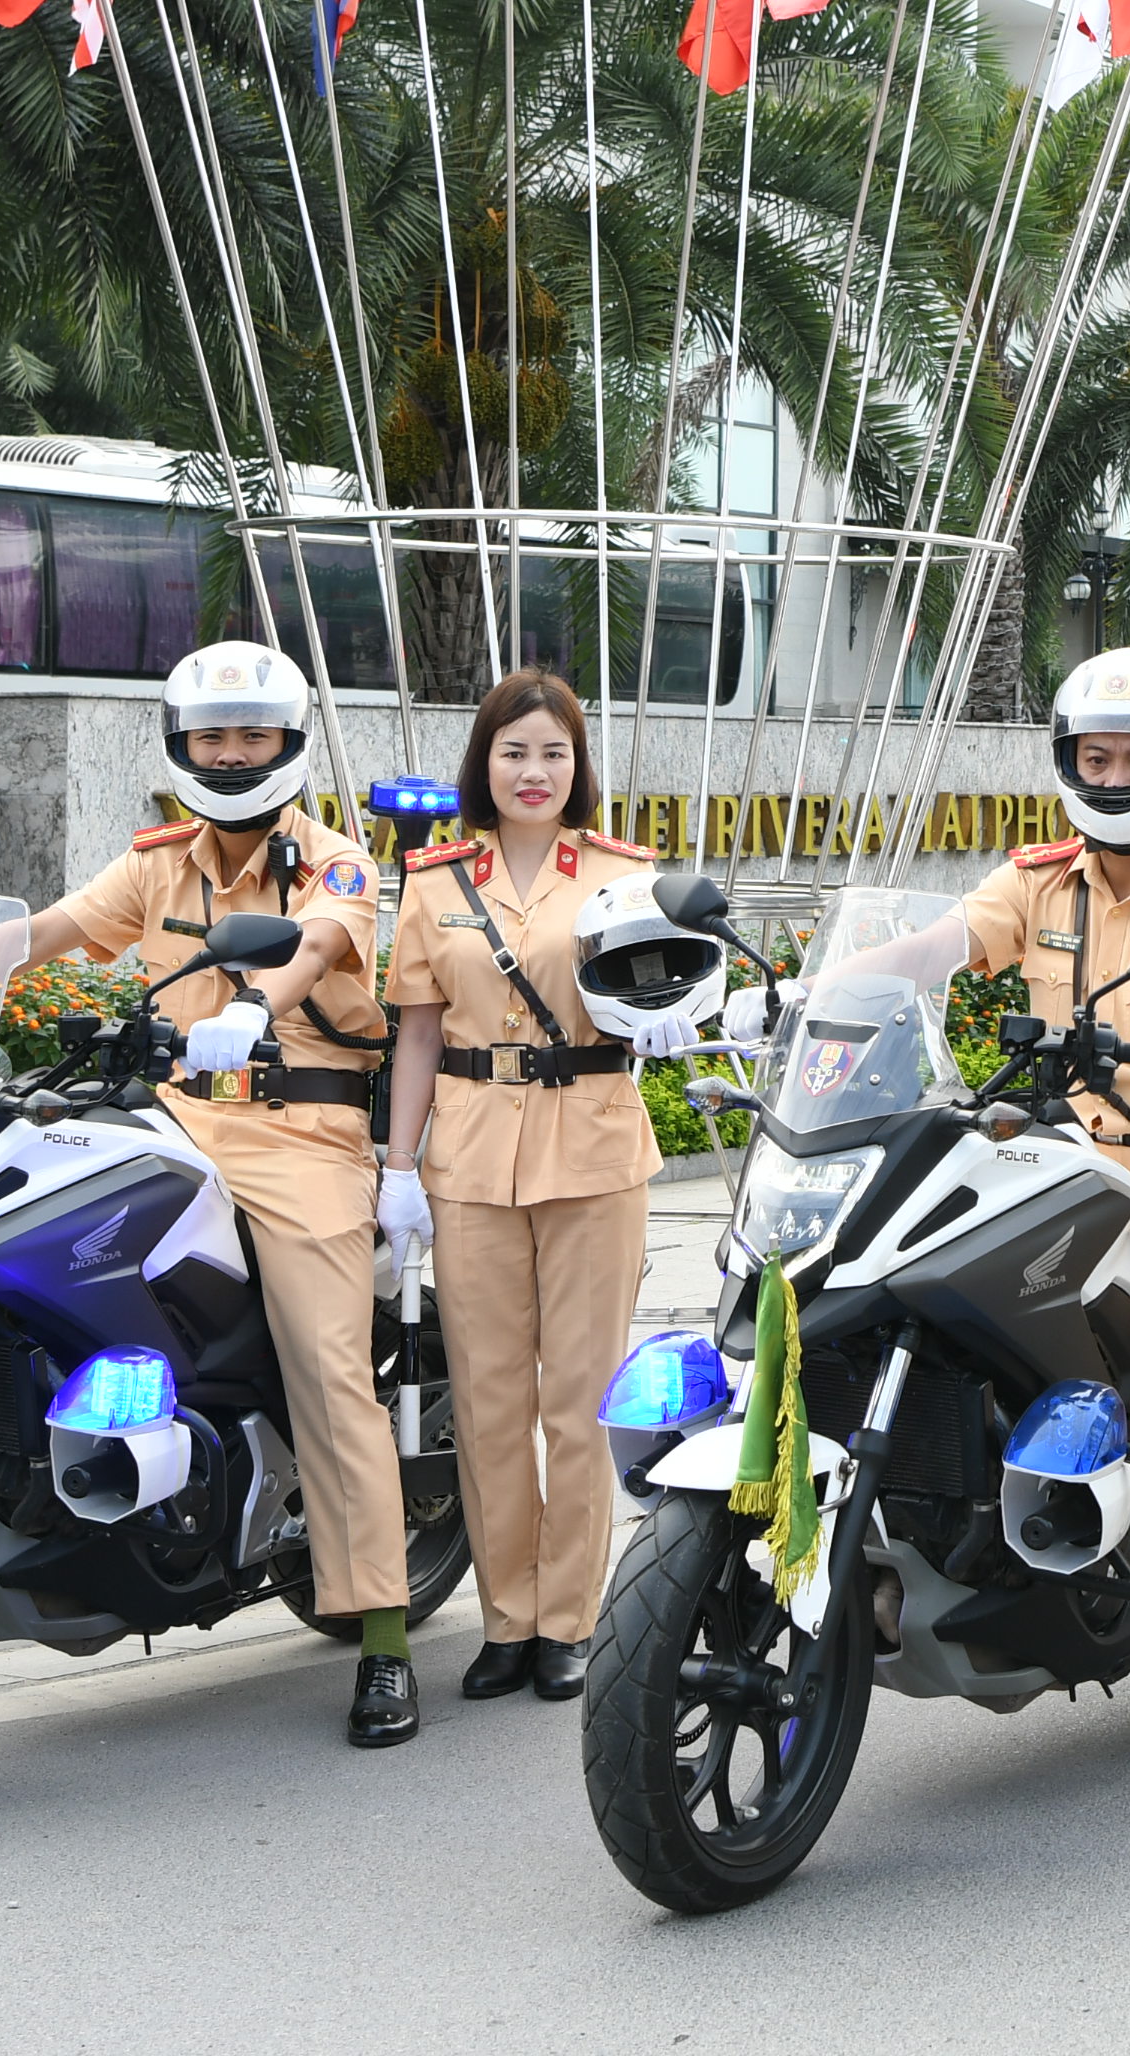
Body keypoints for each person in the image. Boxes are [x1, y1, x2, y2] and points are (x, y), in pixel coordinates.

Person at [774, 646, 1130, 1790]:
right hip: (1053, 1152)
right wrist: (812, 993)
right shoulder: (1037, 879)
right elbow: (936, 947)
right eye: (1099, 758)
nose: (1118, 776)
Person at [0, 641, 420, 1745]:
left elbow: (317, 947)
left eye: (252, 736)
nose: (231, 755)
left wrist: (254, 1006)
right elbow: (46, 933)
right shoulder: (157, 865)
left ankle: (381, 1635)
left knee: (330, 1368)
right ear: (182, 745)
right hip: (171, 1117)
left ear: (288, 744)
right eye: (211, 737)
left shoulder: (336, 862)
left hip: (298, 1134)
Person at [382, 672, 687, 1709]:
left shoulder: (623, 873)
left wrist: (671, 1017)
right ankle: (506, 1620)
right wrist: (397, 1167)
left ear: (577, 765)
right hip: (470, 1154)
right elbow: (417, 1032)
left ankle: (570, 1620)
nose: (533, 771)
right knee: (488, 1400)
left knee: (579, 1400)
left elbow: (668, 985)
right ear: (485, 761)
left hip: (592, 1145)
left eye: (553, 752)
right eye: (514, 751)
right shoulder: (435, 881)